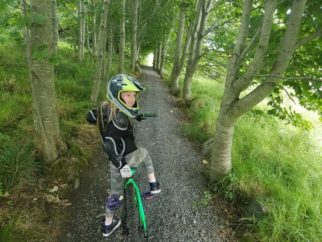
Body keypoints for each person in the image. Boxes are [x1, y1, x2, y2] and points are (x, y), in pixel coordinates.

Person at [86, 74, 161, 238]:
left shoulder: (106, 108)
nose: (132, 99)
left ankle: (108, 225)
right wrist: (123, 166)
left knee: (115, 194)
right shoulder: (121, 120)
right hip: (126, 157)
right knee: (145, 153)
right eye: (128, 95)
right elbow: (108, 144)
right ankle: (154, 185)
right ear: (117, 95)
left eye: (134, 95)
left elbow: (91, 116)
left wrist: (93, 117)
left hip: (115, 162)